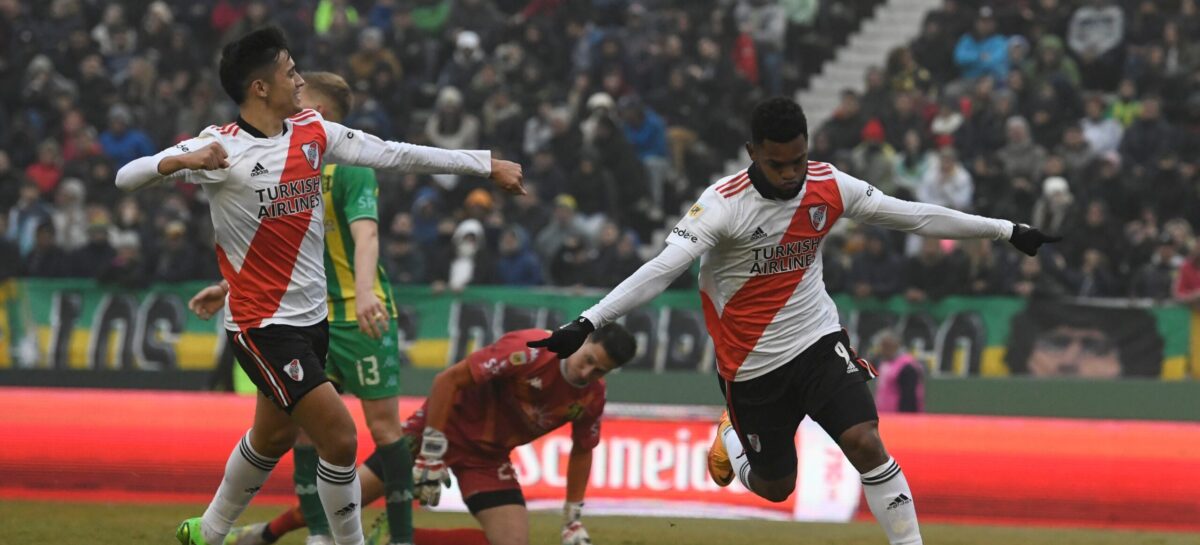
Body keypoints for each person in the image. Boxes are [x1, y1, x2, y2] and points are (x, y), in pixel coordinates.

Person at [529, 97, 1060, 545]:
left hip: (816, 340)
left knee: (866, 442)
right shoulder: (721, 205)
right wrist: (588, 320)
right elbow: (663, 268)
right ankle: (731, 437)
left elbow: (914, 214)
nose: (790, 174)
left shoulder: (828, 185)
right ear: (753, 154)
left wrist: (1005, 230)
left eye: (798, 160)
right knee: (775, 486)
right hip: (751, 368)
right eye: (778, 163)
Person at [115, 27, 523, 545]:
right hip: (262, 327)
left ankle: (209, 531)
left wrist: (484, 164)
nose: (300, 79)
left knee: (272, 436)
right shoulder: (219, 147)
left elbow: (392, 152)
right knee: (340, 436)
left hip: (313, 320)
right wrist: (182, 160)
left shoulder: (313, 131)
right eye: (289, 72)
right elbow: (125, 177)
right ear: (260, 88)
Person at [187, 72, 482, 545]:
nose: (293, 100)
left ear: (319, 113)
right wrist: (226, 286)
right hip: (302, 319)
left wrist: (365, 292)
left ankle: (399, 538)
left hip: (359, 316)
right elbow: (277, 250)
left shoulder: (348, 166)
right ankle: (320, 536)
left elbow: (366, 233)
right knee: (305, 433)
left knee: (382, 428)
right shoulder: (285, 162)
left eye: (302, 97)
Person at [240, 325, 636, 545]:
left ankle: (395, 537)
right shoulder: (531, 349)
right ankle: (265, 534)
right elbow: (449, 380)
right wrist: (432, 450)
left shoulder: (590, 398)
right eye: (587, 360)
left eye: (598, 371)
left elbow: (583, 451)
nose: (586, 374)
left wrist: (572, 519)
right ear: (584, 339)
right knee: (343, 504)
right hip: (439, 430)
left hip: (487, 457)